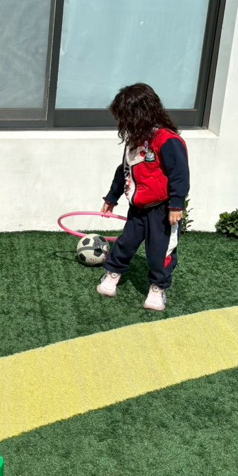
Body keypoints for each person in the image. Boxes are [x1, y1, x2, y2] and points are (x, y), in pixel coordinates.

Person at [97, 83, 189, 311]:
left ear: (140, 113)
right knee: (125, 243)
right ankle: (113, 273)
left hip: (163, 210)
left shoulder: (167, 140)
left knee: (160, 251)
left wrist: (176, 205)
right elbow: (123, 171)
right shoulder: (134, 141)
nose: (122, 123)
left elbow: (179, 174)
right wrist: (111, 198)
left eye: (125, 117)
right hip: (138, 209)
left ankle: (157, 288)